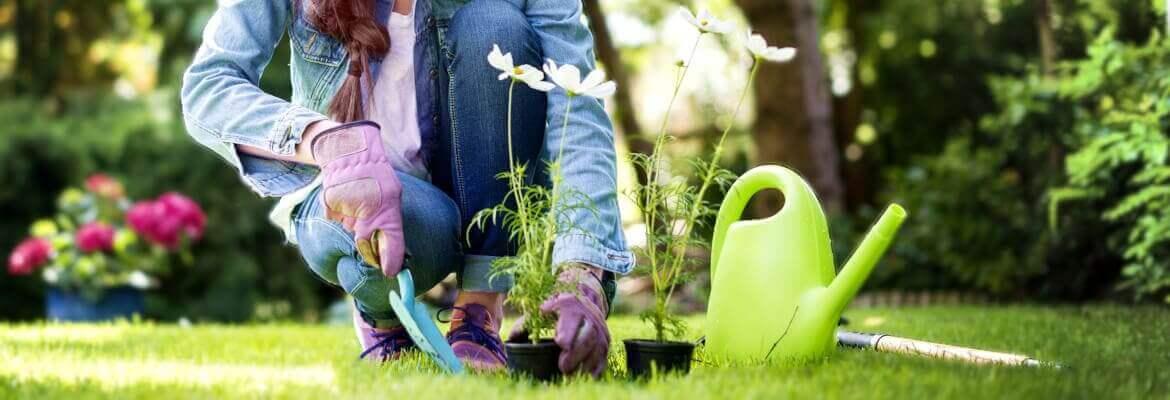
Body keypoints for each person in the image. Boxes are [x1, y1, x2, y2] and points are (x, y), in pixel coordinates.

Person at [180, 0, 633, 377]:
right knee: (398, 233)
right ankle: (381, 314)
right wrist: (329, 142)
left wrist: (583, 271)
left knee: (494, 24)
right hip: (356, 200)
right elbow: (209, 87)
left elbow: (578, 109)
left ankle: (480, 308)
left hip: (476, 203)